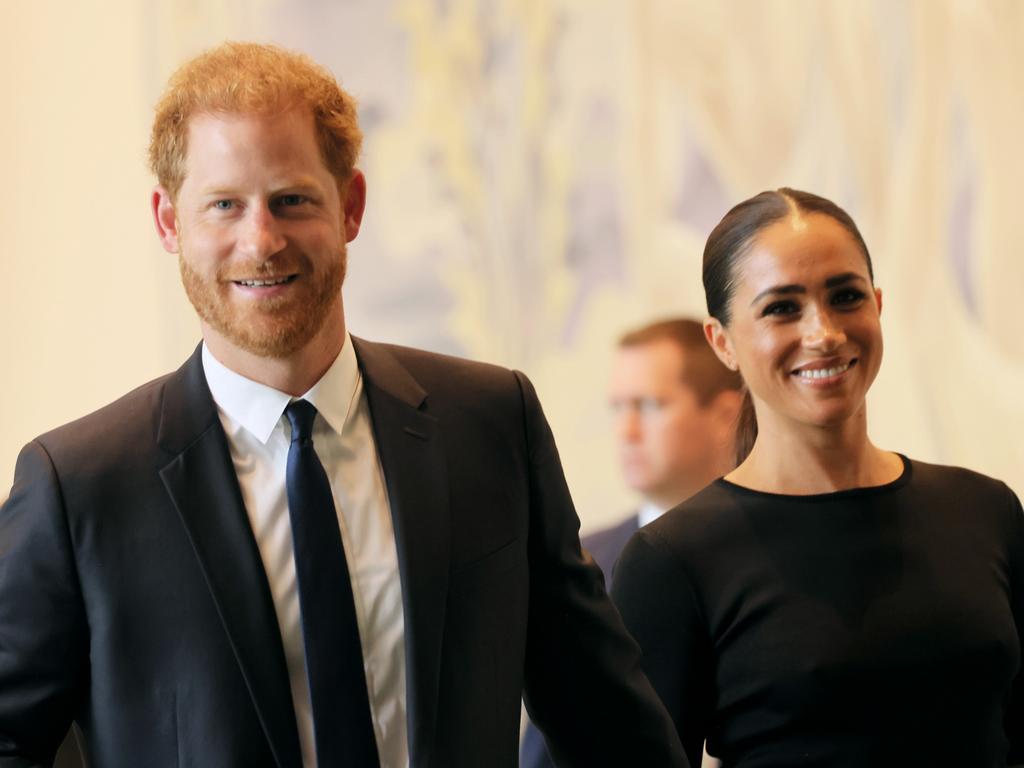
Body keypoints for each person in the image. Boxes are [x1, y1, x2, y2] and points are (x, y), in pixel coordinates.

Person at [0, 43, 687, 768]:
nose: (260, 240)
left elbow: (606, 720)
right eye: (223, 205)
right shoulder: (78, 485)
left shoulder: (490, 424)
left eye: (291, 200)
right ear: (170, 223)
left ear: (350, 205)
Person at [611, 188, 1024, 767]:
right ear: (723, 341)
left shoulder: (985, 510)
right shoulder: (674, 559)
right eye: (782, 308)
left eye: (846, 296)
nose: (823, 332)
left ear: (877, 305)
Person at [520, 318, 740, 768]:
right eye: (618, 409)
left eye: (650, 405)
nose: (626, 432)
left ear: (725, 415)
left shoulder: (767, 559)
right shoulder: (578, 560)